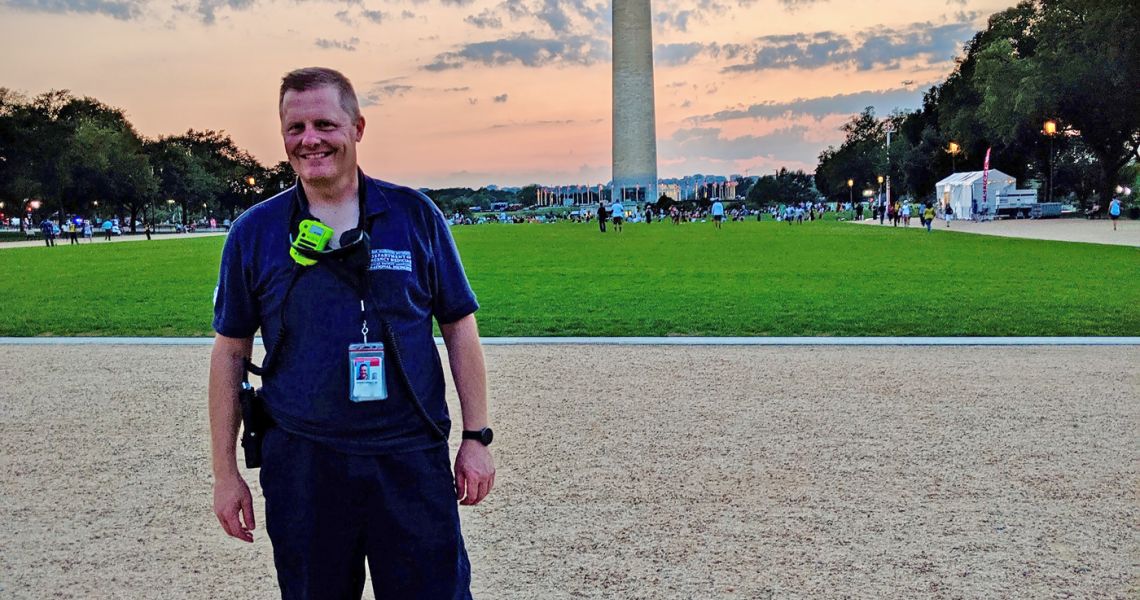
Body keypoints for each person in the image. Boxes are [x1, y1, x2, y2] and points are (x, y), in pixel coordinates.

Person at [209, 67, 493, 600]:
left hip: (409, 454)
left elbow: (459, 326)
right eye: (295, 128)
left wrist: (476, 438)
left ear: (358, 127)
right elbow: (229, 353)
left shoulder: (415, 216)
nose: (309, 139)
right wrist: (226, 474)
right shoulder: (255, 232)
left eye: (325, 123)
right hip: (303, 462)